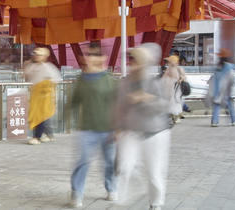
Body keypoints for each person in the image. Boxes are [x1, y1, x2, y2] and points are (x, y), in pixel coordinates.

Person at [115, 43, 173, 210]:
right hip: (131, 132)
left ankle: (155, 203)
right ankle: (131, 193)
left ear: (144, 62)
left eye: (135, 60)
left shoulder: (154, 83)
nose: (131, 63)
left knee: (154, 173)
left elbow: (164, 106)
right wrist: (117, 128)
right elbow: (119, 107)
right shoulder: (124, 83)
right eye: (130, 59)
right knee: (124, 166)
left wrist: (146, 98)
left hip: (155, 132)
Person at [66, 44, 118, 209]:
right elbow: (74, 101)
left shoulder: (109, 80)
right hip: (87, 128)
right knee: (83, 161)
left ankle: (111, 187)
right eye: (88, 54)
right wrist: (65, 118)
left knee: (109, 162)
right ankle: (77, 192)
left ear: (103, 58)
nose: (90, 57)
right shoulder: (81, 80)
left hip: (108, 129)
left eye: (95, 55)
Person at [23, 46, 62, 144]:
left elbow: (55, 80)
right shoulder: (32, 66)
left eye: (39, 55)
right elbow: (27, 77)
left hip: (45, 98)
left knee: (41, 117)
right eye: (35, 54)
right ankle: (49, 135)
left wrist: (46, 88)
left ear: (44, 56)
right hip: (35, 96)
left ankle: (37, 137)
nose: (36, 56)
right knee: (40, 116)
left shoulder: (48, 67)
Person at [208, 48, 235, 127]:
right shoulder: (229, 67)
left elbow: (214, 78)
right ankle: (234, 120)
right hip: (226, 90)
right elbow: (231, 79)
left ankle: (215, 121)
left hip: (217, 89)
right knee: (230, 104)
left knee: (216, 104)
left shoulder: (218, 66)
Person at [159, 53, 187, 126]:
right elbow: (164, 79)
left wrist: (180, 80)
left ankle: (176, 117)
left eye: (170, 61)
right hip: (170, 89)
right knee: (172, 102)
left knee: (175, 102)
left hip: (176, 89)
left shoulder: (178, 69)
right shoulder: (169, 69)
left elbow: (183, 77)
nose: (168, 63)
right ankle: (173, 117)